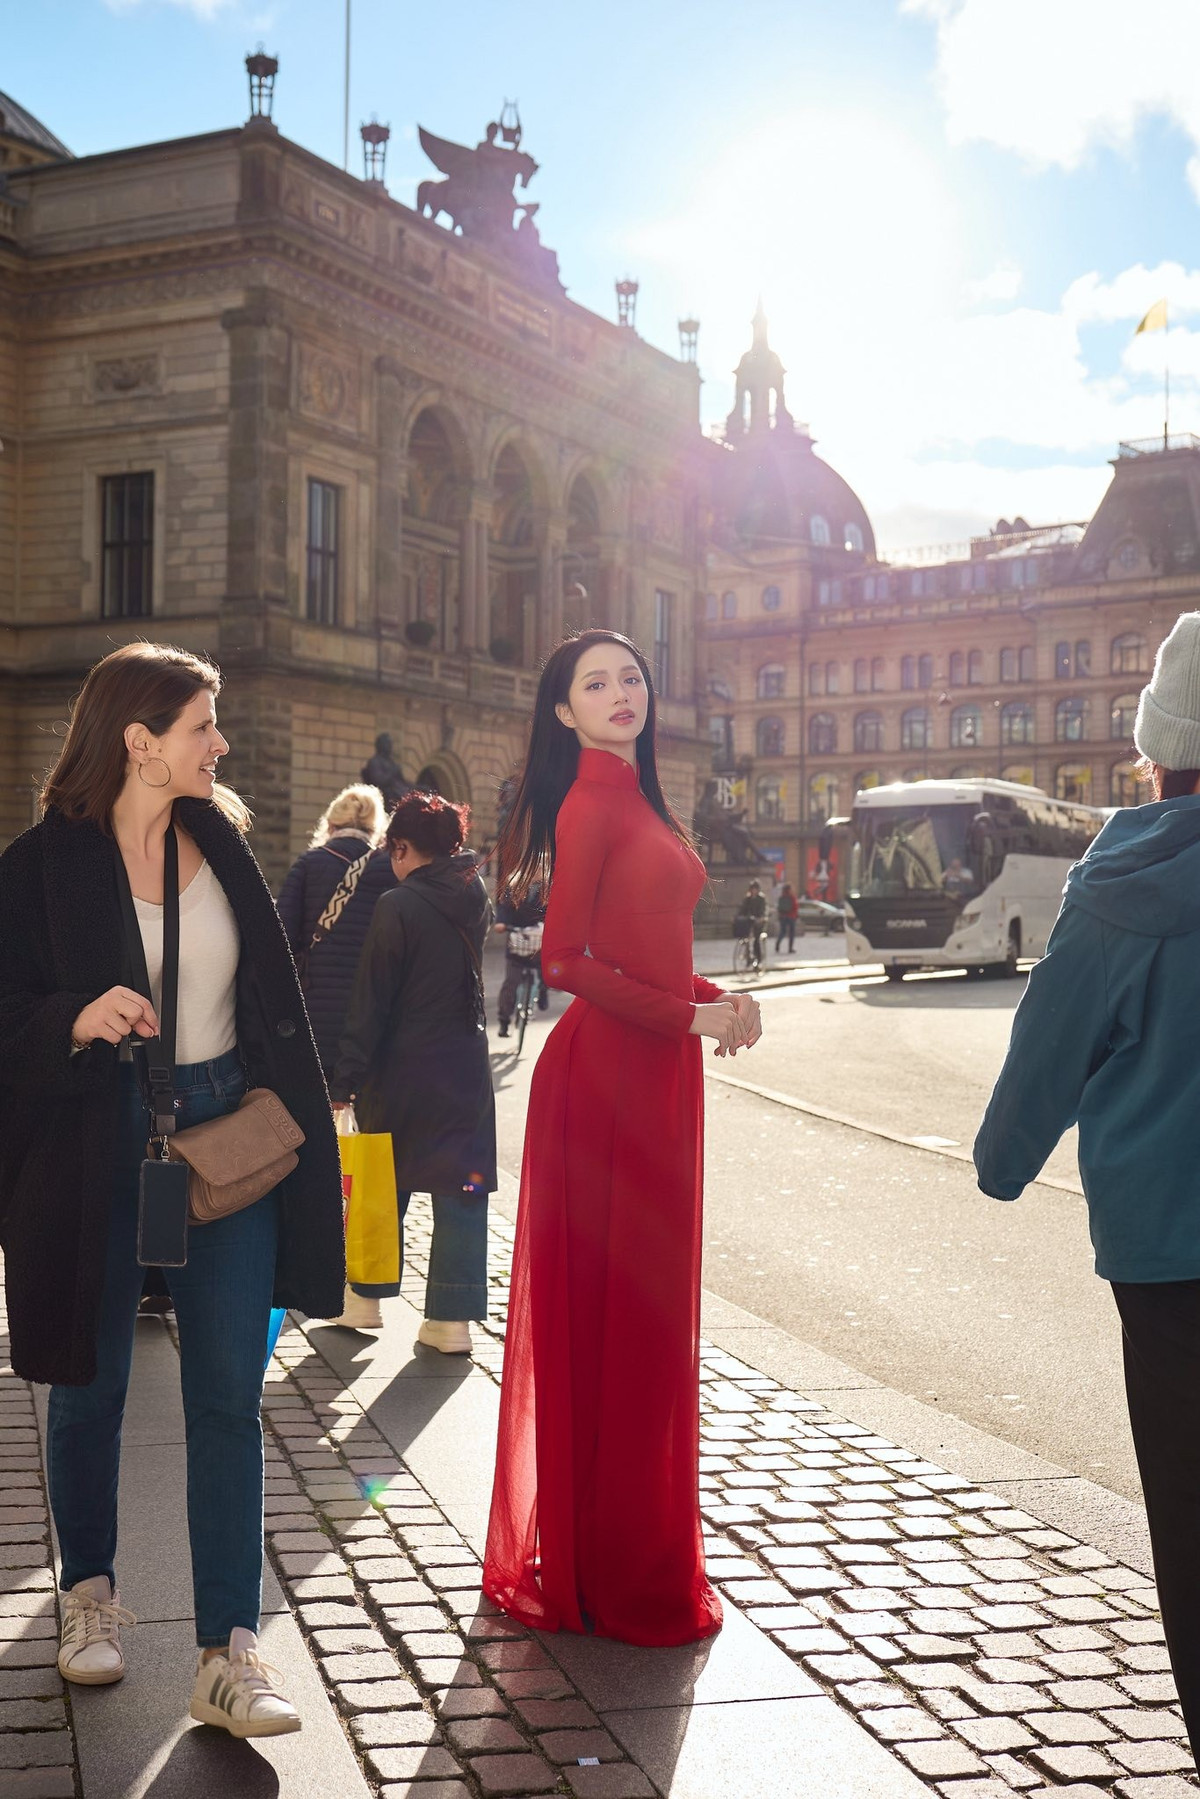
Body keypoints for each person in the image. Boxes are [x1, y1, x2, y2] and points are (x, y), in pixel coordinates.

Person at [0, 643, 343, 1735]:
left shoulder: (222, 838)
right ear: (141, 741)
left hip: (228, 1132)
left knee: (228, 1394)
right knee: (92, 1379)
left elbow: (268, 995)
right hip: (95, 1136)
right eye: (203, 725)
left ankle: (229, 1648)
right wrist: (72, 1015)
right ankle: (89, 1593)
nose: (221, 743)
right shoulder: (39, 864)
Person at [483, 628, 762, 1646]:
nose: (619, 692)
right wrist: (687, 1015)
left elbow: (644, 948)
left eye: (632, 675)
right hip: (606, 1083)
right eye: (593, 682)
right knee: (622, 1318)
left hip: (657, 1074)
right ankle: (610, 1564)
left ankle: (627, 1546)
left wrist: (713, 996)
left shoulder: (643, 796)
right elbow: (566, 958)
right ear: (562, 710)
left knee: (646, 1319)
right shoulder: (587, 801)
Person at [973, 611, 1200, 1771]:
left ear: (1160, 750)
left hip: (1167, 1251)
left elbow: (1047, 1052)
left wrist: (1002, 1158)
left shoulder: (1119, 877)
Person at [330, 792, 496, 1349]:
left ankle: (364, 1301)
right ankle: (451, 1322)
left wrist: (344, 1078)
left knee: (382, 1183)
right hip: (465, 1065)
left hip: (402, 1067)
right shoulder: (475, 895)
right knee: (462, 1190)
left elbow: (371, 998)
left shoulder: (397, 905)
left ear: (401, 847)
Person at [276, 784, 398, 1082]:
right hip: (370, 1014)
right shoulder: (389, 870)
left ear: (330, 825)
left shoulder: (308, 864)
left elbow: (281, 940)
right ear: (375, 828)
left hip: (314, 1009)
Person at [494, 883, 548, 1037]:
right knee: (511, 982)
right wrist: (501, 923)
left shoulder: (547, 889)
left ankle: (543, 991)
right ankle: (504, 1020)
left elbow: (554, 911)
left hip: (537, 942)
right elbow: (504, 908)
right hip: (517, 941)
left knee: (548, 969)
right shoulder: (513, 888)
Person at [736, 878, 769, 969]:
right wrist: (739, 916)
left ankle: (759, 960)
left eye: (756, 889)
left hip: (758, 922)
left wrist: (761, 917)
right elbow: (742, 909)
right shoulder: (747, 898)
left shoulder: (761, 898)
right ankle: (748, 958)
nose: (754, 891)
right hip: (749, 921)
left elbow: (764, 909)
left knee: (756, 941)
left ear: (758, 890)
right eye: (752, 889)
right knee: (746, 938)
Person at [775, 881, 800, 954]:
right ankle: (790, 948)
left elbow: (779, 907)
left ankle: (778, 943)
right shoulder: (792, 897)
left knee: (782, 932)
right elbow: (795, 907)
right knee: (791, 933)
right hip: (791, 916)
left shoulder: (782, 897)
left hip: (783, 916)